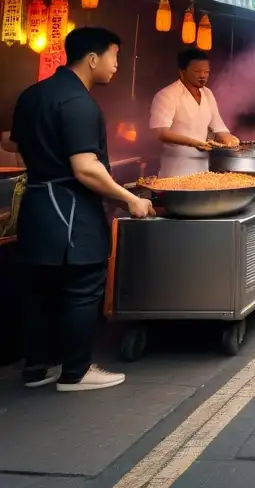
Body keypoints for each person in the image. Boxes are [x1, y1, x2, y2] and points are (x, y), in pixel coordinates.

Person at [4, 28, 154, 391]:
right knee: (83, 286)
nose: (117, 66)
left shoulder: (34, 94)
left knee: (40, 288)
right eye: (114, 57)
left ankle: (37, 368)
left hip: (37, 203)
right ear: (92, 59)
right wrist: (130, 198)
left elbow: (14, 145)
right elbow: (86, 167)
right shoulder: (79, 102)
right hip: (70, 210)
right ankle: (76, 372)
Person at [150, 49, 239, 177]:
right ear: (182, 72)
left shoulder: (207, 94)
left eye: (206, 72)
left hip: (202, 169)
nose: (203, 76)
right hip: (175, 170)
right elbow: (160, 133)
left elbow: (218, 125)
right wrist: (195, 143)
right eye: (197, 71)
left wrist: (229, 139)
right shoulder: (166, 95)